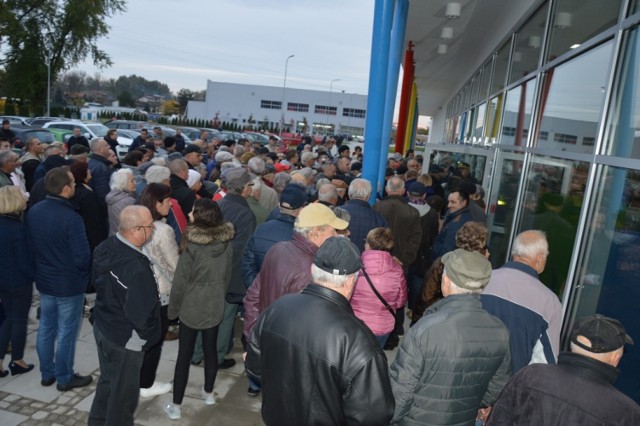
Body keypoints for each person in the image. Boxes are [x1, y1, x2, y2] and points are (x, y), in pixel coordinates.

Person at [246, 237, 395, 425]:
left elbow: (254, 367)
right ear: (351, 281)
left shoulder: (277, 308)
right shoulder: (359, 340)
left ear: (312, 270)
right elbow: (373, 415)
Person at [390, 249, 511, 426]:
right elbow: (498, 385)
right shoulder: (500, 331)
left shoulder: (426, 329)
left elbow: (400, 392)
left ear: (446, 281)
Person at [242, 203, 347, 396]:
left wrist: (254, 339)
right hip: (291, 361)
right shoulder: (312, 270)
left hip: (270, 346)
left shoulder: (278, 249)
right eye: (333, 231)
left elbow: (252, 297)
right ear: (316, 232)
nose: (336, 236)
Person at [487, 314, 640, 425]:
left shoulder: (530, 376)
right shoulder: (627, 413)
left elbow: (498, 421)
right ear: (615, 358)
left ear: (572, 344)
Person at [88, 206, 162, 426]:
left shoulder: (105, 246)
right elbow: (142, 315)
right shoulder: (136, 267)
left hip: (104, 327)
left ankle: (97, 422)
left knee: (108, 382)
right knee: (123, 399)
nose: (153, 230)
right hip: (126, 340)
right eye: (151, 226)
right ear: (137, 230)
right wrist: (150, 336)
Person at [164, 199, 234, 420]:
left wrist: (172, 311)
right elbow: (227, 275)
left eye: (193, 211)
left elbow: (180, 282)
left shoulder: (192, 244)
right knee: (211, 350)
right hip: (214, 303)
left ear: (201, 216)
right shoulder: (226, 243)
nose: (189, 213)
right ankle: (209, 393)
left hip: (191, 305)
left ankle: (176, 406)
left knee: (184, 355)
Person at [26, 166, 93, 391]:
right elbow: (83, 257)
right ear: (65, 189)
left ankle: (48, 373)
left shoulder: (34, 211)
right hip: (68, 284)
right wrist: (83, 275)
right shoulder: (71, 218)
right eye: (73, 183)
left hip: (45, 281)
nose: (76, 186)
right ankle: (64, 378)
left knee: (46, 327)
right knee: (66, 332)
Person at [482, 230, 562, 373]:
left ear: (514, 254)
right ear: (539, 259)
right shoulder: (550, 303)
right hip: (511, 387)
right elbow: (544, 364)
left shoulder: (483, 280)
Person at [137, 183, 179, 398]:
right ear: (156, 203)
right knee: (154, 342)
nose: (170, 204)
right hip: (159, 293)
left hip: (137, 291)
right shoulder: (163, 231)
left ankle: (136, 377)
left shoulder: (133, 222)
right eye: (166, 200)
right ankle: (145, 384)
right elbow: (174, 266)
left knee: (141, 339)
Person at [373, 175, 421, 348]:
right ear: (403, 191)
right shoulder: (412, 213)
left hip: (377, 261)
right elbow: (415, 241)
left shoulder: (377, 207)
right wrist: (404, 260)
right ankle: (396, 329)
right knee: (398, 297)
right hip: (401, 264)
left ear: (387, 189)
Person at [413, 221, 489, 322]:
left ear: (458, 238)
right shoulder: (486, 266)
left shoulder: (445, 260)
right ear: (482, 242)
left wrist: (419, 317)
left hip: (443, 313)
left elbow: (427, 294)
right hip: (471, 316)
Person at [241, 183, 307, 289]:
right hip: (283, 299)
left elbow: (247, 262)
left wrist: (255, 290)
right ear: (301, 209)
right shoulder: (302, 237)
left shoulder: (260, 229)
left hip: (259, 295)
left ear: (279, 204)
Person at [350, 227, 407, 347]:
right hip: (383, 325)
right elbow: (401, 301)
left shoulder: (355, 266)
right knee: (374, 357)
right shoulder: (397, 270)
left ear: (368, 244)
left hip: (356, 324)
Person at [0, 186, 35, 377]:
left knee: (6, 319)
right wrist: (34, 275)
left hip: (2, 281)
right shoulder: (18, 229)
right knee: (19, 320)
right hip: (19, 282)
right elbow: (24, 261)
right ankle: (18, 360)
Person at [341, 178, 389, 253]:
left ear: (349, 194)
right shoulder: (378, 219)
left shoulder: (336, 212)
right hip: (366, 262)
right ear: (368, 196)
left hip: (338, 260)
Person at [430, 189, 473, 261]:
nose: (449, 205)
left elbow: (448, 249)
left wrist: (437, 263)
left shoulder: (457, 222)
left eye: (453, 202)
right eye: (449, 201)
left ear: (463, 203)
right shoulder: (459, 216)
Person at [106, 168, 137, 236]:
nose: (135, 183)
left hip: (114, 236)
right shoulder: (128, 201)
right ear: (123, 183)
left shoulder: (112, 196)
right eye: (132, 181)